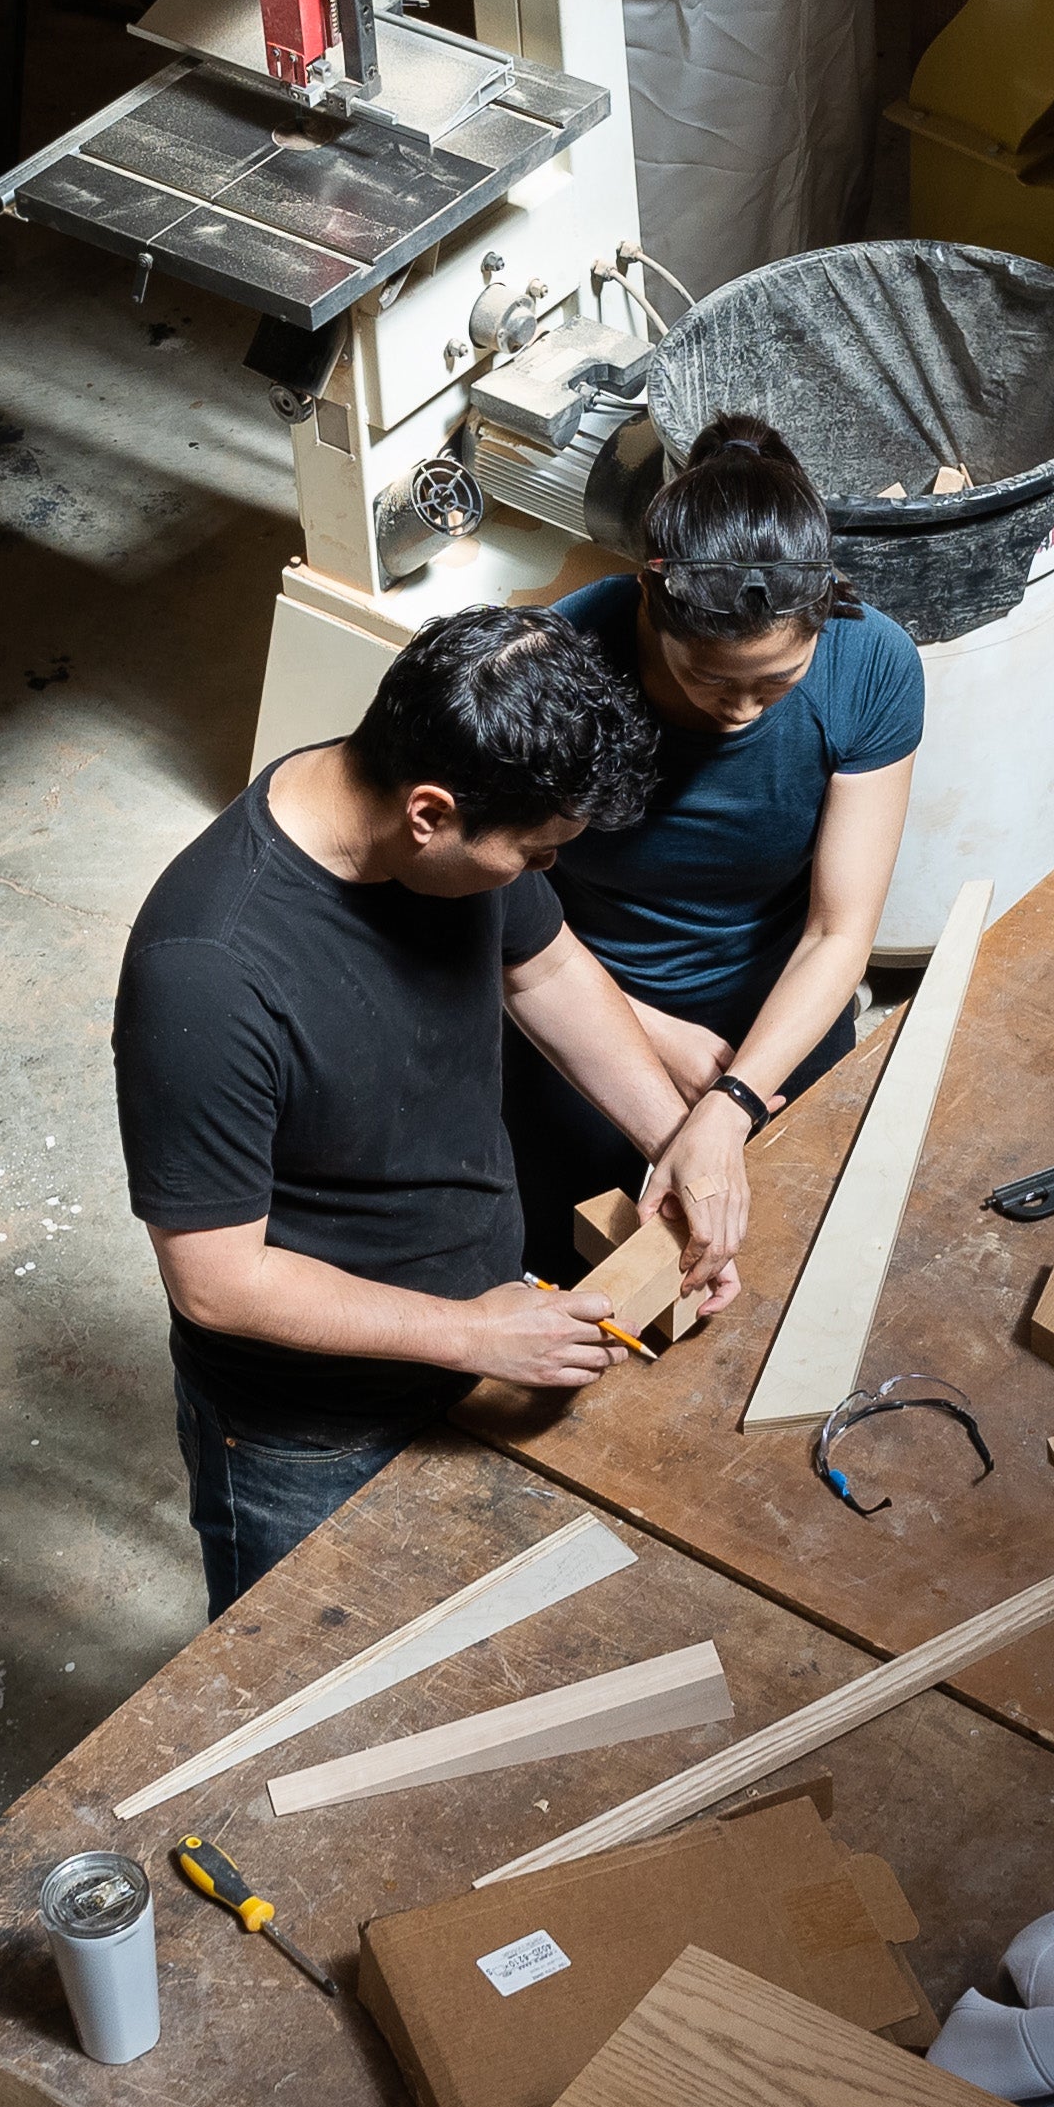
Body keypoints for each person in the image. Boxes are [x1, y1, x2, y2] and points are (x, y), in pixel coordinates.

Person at [115, 607, 756, 1610]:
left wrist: (671, 1144)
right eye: (535, 854)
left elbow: (543, 972)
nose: (540, 874)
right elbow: (216, 1281)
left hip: (479, 1324)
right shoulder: (207, 974)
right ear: (429, 812)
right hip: (313, 1427)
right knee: (295, 1699)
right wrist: (471, 1334)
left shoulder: (432, 821)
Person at [503, 414, 926, 1279]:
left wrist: (732, 1101)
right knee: (585, 1272)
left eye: (777, 680)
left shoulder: (873, 663)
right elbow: (497, 922)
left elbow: (837, 934)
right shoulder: (561, 664)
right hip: (584, 1009)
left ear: (823, 611)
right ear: (649, 604)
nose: (740, 709)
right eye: (708, 678)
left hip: (779, 1020)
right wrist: (654, 1037)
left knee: (792, 1263)